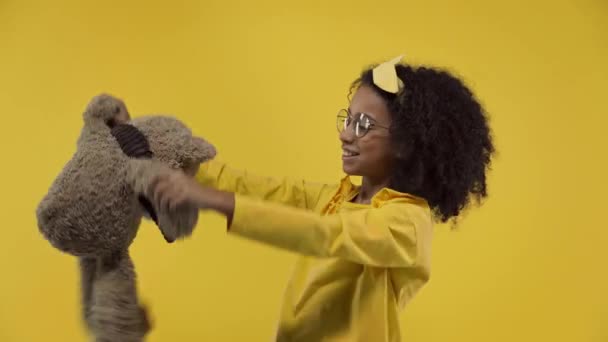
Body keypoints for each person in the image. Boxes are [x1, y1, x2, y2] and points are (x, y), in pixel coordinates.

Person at [142, 56, 495, 341]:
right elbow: (264, 190)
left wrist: (211, 201)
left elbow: (323, 234)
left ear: (404, 143)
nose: (345, 134)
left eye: (363, 125)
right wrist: (179, 157)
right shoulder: (339, 198)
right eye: (348, 120)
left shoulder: (407, 224)